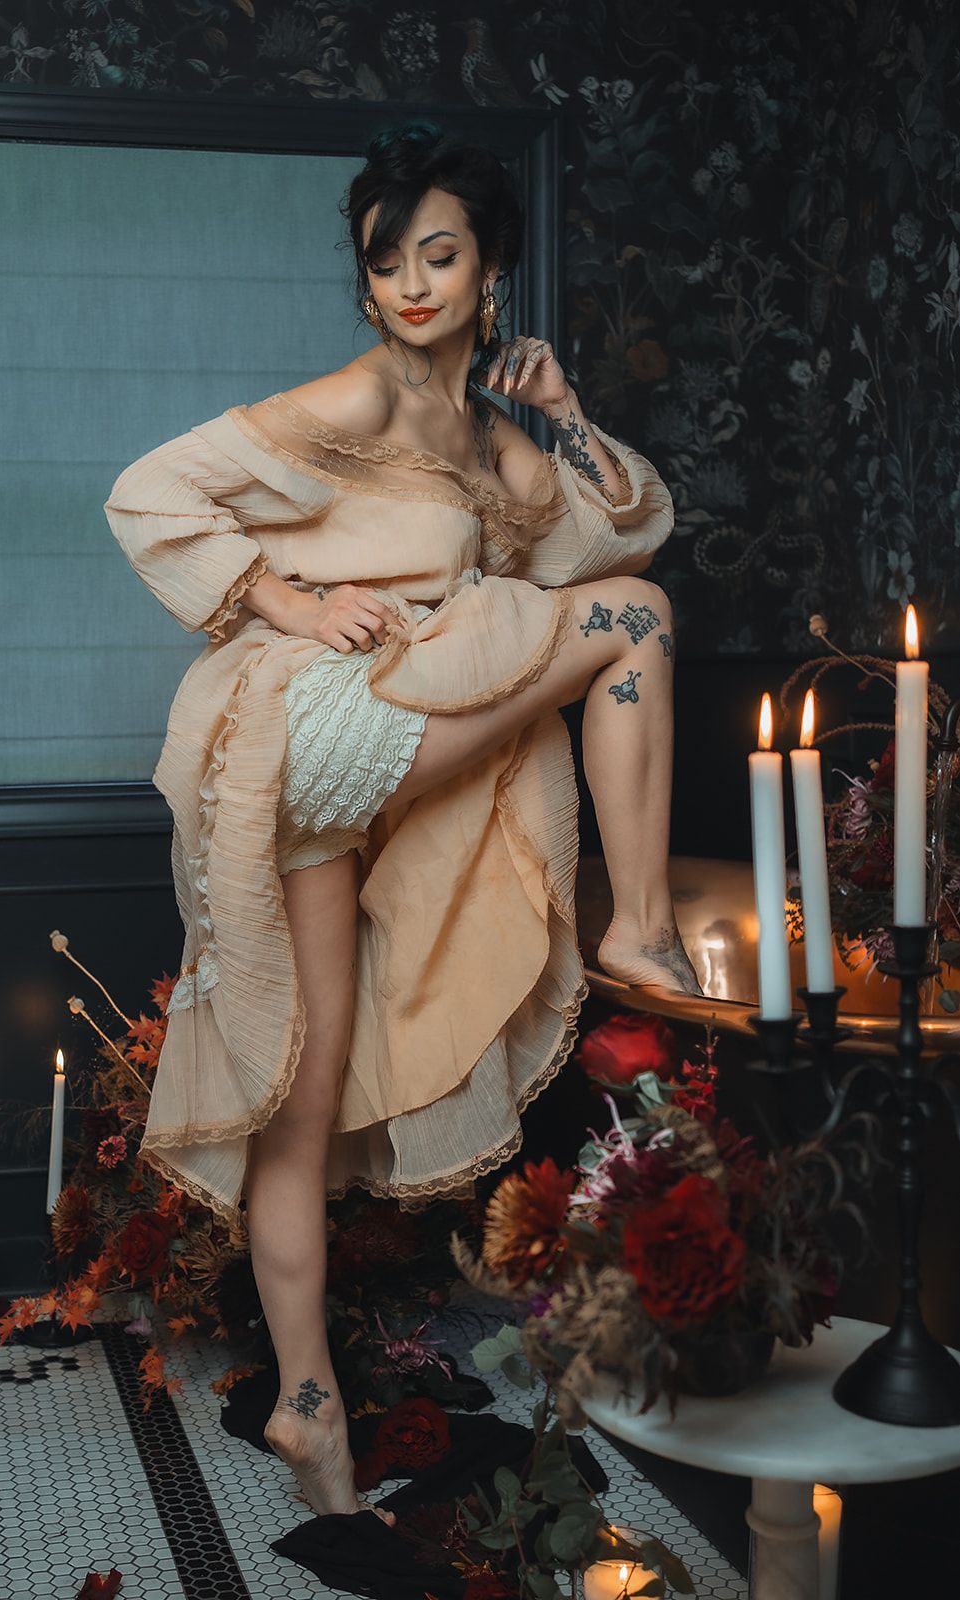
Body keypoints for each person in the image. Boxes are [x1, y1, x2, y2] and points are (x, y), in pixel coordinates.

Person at [103, 120, 701, 1528]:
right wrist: (296, 601)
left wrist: (554, 419)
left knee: (295, 1102)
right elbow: (149, 493)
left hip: (337, 782)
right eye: (388, 264)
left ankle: (309, 1413)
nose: (411, 286)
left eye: (440, 257)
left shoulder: (486, 433)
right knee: (635, 626)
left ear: (491, 272)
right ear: (366, 287)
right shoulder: (361, 405)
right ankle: (644, 926)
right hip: (320, 730)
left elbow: (606, 532)